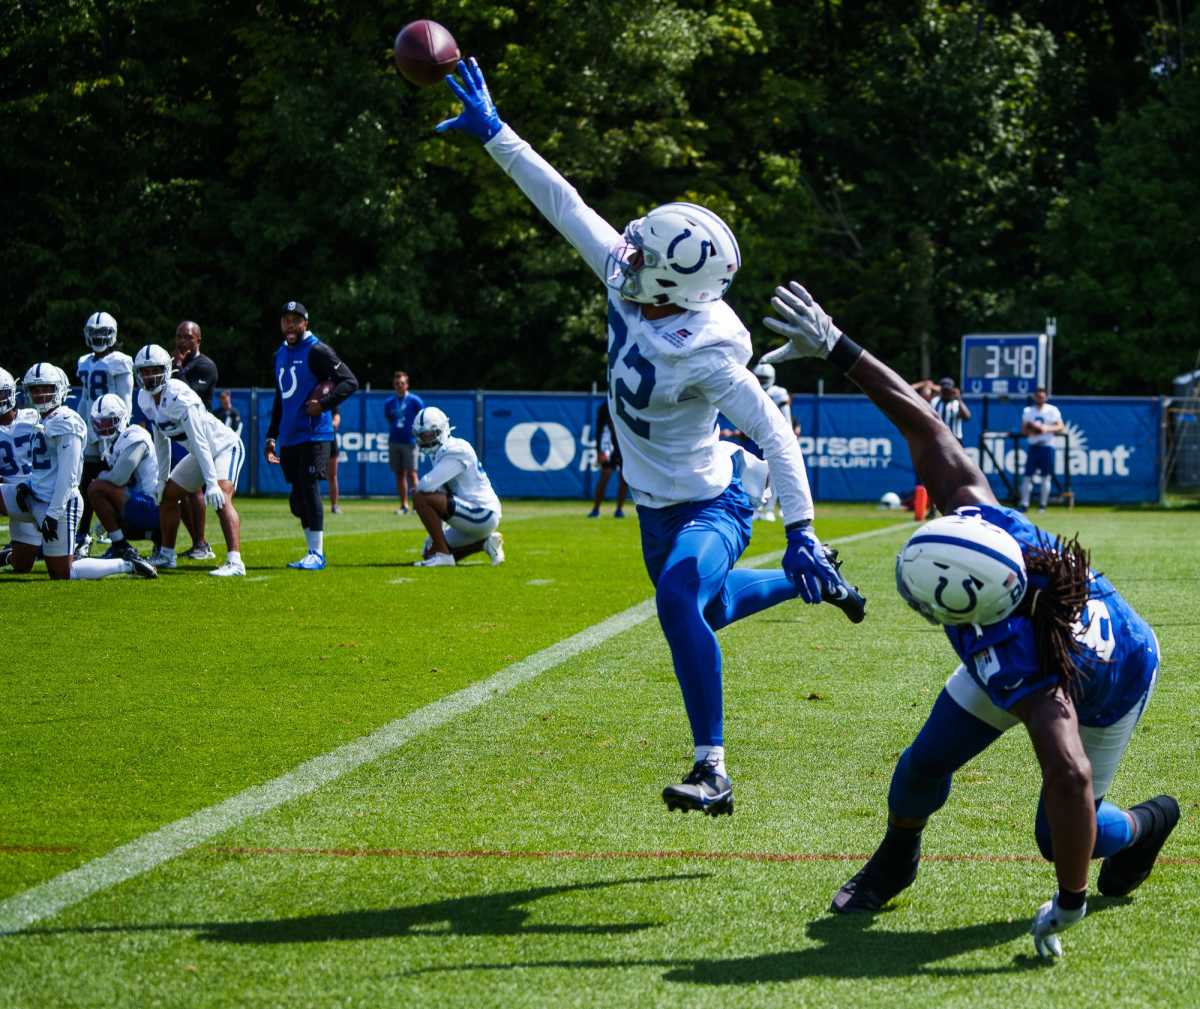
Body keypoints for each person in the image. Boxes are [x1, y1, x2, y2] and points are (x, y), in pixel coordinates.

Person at [436, 58, 864, 816]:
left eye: (641, 256)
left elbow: (774, 434)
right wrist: (496, 133)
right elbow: (563, 204)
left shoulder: (708, 347)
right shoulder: (630, 272)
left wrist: (799, 527)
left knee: (677, 598)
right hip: (656, 506)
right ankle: (814, 582)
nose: (625, 256)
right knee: (711, 608)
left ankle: (713, 769)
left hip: (716, 498)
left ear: (674, 284)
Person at [761, 280, 1179, 959]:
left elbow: (1068, 773)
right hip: (1039, 642)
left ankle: (1146, 822)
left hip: (1113, 672)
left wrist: (1070, 900)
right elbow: (925, 425)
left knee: (1061, 832)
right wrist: (840, 347)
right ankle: (897, 858)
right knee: (923, 762)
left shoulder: (1021, 661)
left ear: (967, 615)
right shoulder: (984, 520)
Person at [0, 364, 155, 580]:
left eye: (46, 388)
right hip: (32, 497)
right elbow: (43, 469)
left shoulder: (66, 421)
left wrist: (52, 515)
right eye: (35, 389)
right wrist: (27, 484)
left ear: (60, 389)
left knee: (63, 573)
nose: (40, 394)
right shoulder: (43, 419)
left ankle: (126, 564)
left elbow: (69, 475)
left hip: (59, 504)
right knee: (22, 563)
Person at [134, 344, 245, 577]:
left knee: (221, 497)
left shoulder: (180, 396)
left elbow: (201, 440)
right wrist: (162, 479)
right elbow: (160, 440)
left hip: (223, 446)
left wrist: (211, 483)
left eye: (153, 370)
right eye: (143, 371)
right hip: (199, 452)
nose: (148, 376)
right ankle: (167, 554)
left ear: (166, 370)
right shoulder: (144, 398)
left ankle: (235, 562)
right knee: (167, 496)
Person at [264, 301, 359, 570]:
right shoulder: (279, 354)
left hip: (316, 433)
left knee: (309, 488)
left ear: (306, 323)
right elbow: (280, 398)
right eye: (286, 320)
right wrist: (272, 436)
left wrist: (324, 404)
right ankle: (310, 551)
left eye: (296, 320)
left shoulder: (317, 350)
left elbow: (350, 381)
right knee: (297, 500)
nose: (290, 325)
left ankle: (317, 553)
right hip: (291, 434)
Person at [410, 406, 505, 568]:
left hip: (482, 513)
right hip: (468, 511)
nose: (425, 440)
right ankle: (484, 543)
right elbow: (439, 491)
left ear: (442, 430)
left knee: (420, 496)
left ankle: (444, 555)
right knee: (428, 551)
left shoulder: (455, 450)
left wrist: (418, 492)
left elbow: (426, 486)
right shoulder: (440, 452)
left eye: (429, 434)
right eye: (422, 435)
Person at [74, 311, 134, 559]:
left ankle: (120, 536)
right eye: (94, 334)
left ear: (113, 335)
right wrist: (80, 424)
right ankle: (82, 536)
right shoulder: (84, 362)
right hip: (91, 430)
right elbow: (86, 398)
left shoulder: (120, 361)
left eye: (103, 333)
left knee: (112, 484)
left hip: (111, 431)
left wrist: (120, 433)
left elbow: (126, 399)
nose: (98, 338)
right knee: (84, 483)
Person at [86, 394, 161, 559]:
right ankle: (157, 537)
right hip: (140, 504)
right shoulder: (115, 442)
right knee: (102, 494)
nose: (103, 427)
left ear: (121, 418)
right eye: (99, 422)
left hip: (152, 505)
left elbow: (118, 478)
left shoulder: (134, 435)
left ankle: (120, 546)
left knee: (95, 488)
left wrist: (101, 476)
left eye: (108, 421)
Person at [173, 320, 221, 560]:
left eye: (187, 337)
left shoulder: (205, 366)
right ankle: (198, 543)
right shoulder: (171, 366)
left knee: (194, 491)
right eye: (179, 336)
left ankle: (201, 543)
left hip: (200, 435)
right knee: (177, 490)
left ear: (198, 340)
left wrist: (178, 368)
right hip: (179, 435)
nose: (182, 341)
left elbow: (191, 395)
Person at [385, 371, 423, 515]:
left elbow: (422, 418)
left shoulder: (415, 401)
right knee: (399, 474)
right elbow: (389, 418)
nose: (399, 386)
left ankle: (418, 506)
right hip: (394, 441)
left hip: (410, 441)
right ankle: (403, 506)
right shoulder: (389, 402)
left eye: (402, 383)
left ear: (407, 385)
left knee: (412, 474)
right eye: (396, 384)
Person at [1020, 388, 1064, 512]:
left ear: (1046, 397)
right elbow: (1023, 430)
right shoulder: (1028, 411)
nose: (1040, 398)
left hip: (1047, 445)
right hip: (1034, 446)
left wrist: (1045, 428)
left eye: (1042, 396)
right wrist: (1033, 429)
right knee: (1028, 476)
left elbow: (1060, 426)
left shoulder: (1052, 410)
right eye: (1038, 396)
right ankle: (1024, 504)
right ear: (1034, 397)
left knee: (1046, 476)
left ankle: (1042, 505)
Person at [587, 398, 627, 518]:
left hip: (623, 445)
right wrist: (600, 450)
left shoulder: (626, 402)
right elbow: (601, 429)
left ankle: (619, 510)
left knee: (624, 478)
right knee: (605, 475)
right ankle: (596, 509)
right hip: (608, 445)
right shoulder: (605, 405)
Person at [913, 376, 972, 443]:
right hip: (938, 440)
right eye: (944, 390)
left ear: (952, 390)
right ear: (940, 390)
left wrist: (959, 399)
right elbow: (919, 395)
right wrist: (924, 384)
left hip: (955, 441)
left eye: (948, 390)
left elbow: (967, 417)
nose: (946, 393)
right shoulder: (934, 401)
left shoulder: (956, 403)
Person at [327, 404, 342, 514]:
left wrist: (332, 423)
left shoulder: (330, 399)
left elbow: (336, 418)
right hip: (314, 441)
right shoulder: (310, 397)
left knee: (332, 475)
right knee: (311, 475)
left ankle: (334, 506)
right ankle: (308, 505)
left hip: (330, 440)